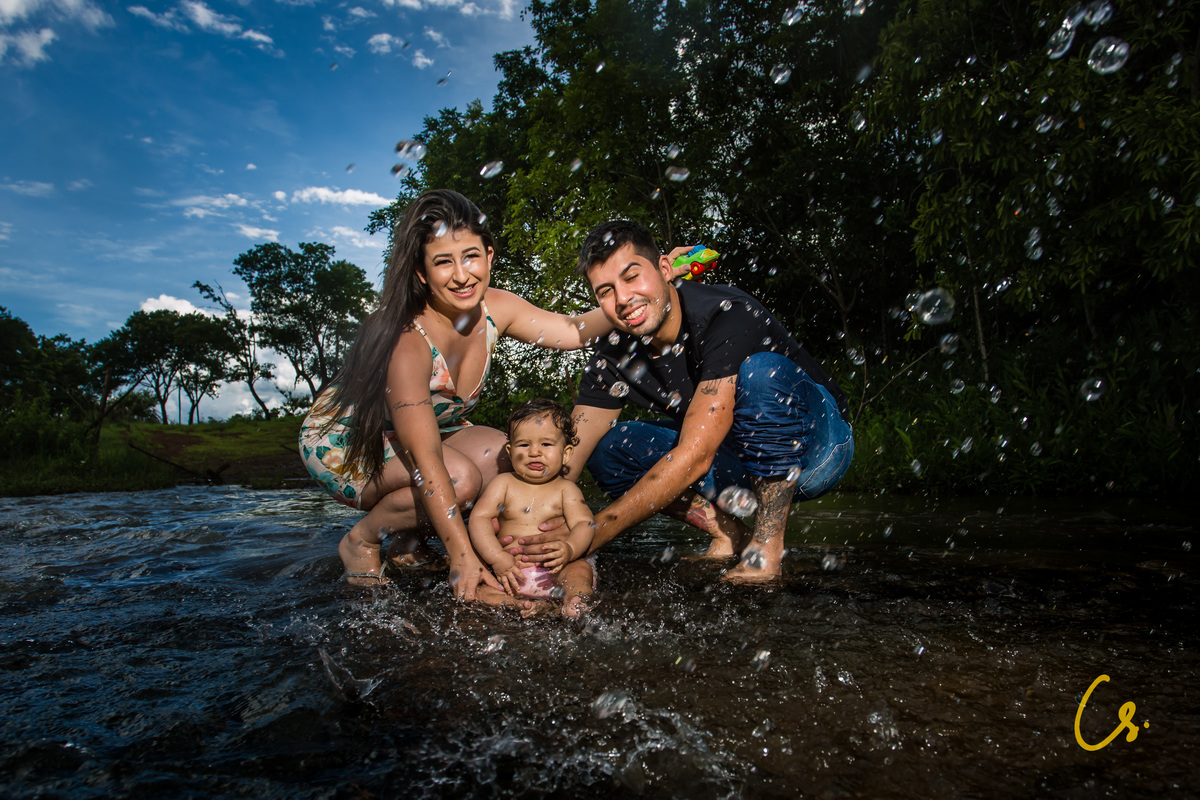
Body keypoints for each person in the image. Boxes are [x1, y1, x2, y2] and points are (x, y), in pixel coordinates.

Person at [298, 190, 618, 600]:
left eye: (470, 256)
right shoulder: (407, 340)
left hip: (429, 432)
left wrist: (643, 290)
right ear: (421, 272)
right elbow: (427, 459)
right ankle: (362, 539)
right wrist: (462, 557)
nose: (462, 275)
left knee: (507, 456)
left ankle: (405, 543)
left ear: (489, 255)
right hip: (345, 440)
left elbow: (574, 330)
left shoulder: (495, 307)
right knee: (459, 478)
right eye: (443, 262)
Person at [510, 220, 853, 582]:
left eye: (631, 277)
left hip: (814, 451)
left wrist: (591, 533)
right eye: (606, 291)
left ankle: (766, 551)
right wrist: (524, 527)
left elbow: (696, 454)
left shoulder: (725, 313)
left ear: (663, 269)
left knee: (760, 372)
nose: (623, 299)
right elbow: (568, 456)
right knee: (608, 448)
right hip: (738, 459)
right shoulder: (611, 354)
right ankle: (728, 533)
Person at [467, 398, 596, 617]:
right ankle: (520, 606)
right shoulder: (503, 484)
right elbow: (479, 518)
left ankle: (575, 600)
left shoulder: (566, 490)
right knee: (476, 593)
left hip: (557, 571)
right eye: (524, 445)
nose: (534, 452)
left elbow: (585, 524)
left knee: (579, 570)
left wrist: (570, 549)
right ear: (510, 451)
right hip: (511, 574)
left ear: (565, 454)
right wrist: (496, 557)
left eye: (546, 444)